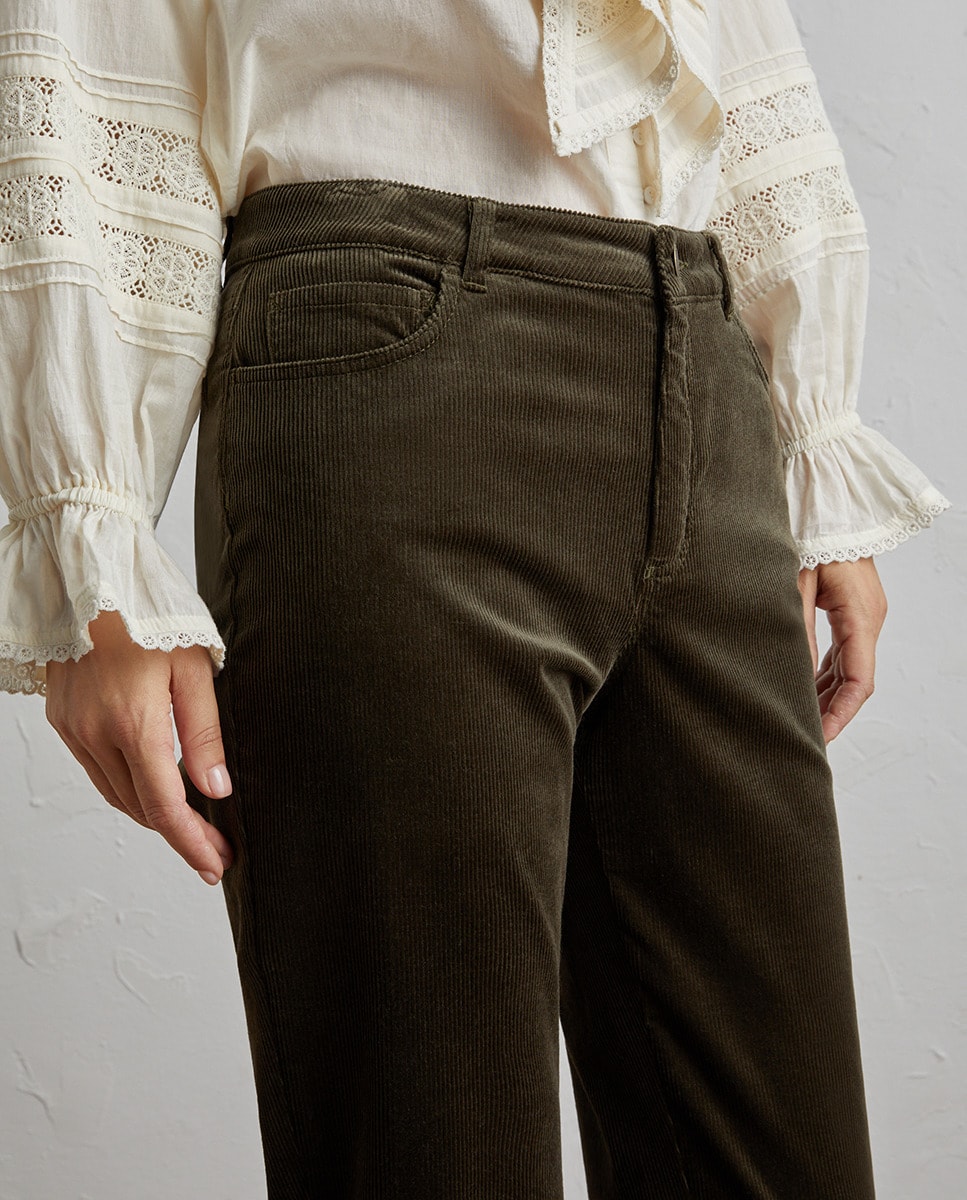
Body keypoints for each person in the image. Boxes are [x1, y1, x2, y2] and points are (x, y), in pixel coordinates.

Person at [0, 1, 949, 1196]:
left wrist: (811, 427)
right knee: (431, 1147)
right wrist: (90, 531)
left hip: (700, 354)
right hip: (384, 351)